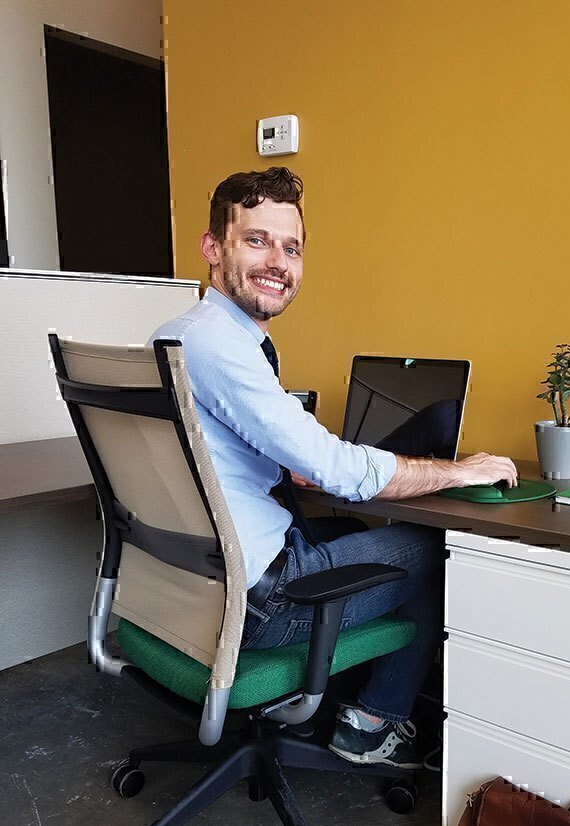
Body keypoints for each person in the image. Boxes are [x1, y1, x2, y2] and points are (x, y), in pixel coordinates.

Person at [150, 167, 517, 768]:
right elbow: (343, 474)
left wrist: (286, 461)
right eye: (257, 241)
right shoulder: (220, 346)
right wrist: (458, 471)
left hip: (189, 584)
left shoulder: (176, 335)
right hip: (258, 603)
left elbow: (204, 449)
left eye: (291, 248)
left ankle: (348, 696)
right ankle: (374, 723)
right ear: (212, 248)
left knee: (348, 528)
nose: (278, 263)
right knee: (432, 546)